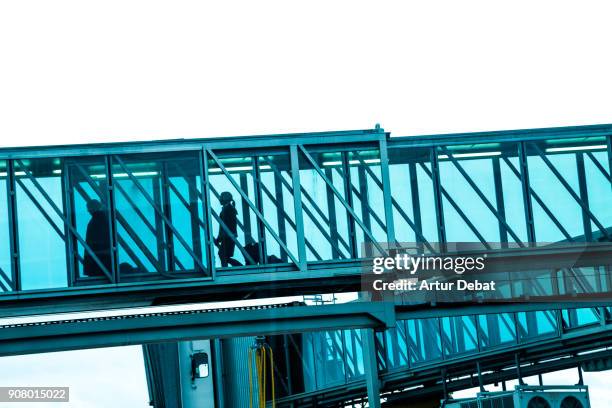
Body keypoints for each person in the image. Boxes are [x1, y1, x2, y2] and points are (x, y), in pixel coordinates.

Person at [83, 199, 112, 277]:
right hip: (101, 260)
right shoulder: (102, 219)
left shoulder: (96, 221)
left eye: (88, 208)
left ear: (93, 208)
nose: (87, 210)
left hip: (97, 261)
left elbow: (94, 242)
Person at [214, 191, 242, 267]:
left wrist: (219, 238)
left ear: (225, 198)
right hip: (228, 236)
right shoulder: (229, 209)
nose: (219, 199)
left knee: (223, 255)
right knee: (224, 255)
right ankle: (236, 266)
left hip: (228, 237)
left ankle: (232, 267)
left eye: (221, 197)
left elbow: (227, 226)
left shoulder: (228, 210)